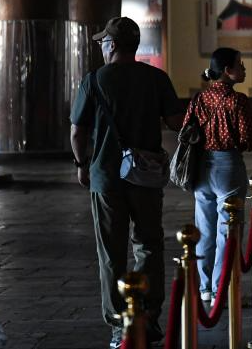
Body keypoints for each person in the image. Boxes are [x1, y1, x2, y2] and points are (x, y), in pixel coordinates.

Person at [70, 17, 182, 349]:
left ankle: (120, 324)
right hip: (145, 176)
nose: (102, 48)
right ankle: (148, 316)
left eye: (103, 42)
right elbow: (176, 121)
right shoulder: (156, 78)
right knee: (149, 245)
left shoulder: (93, 80)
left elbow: (77, 132)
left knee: (111, 253)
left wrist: (81, 164)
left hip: (106, 177)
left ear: (113, 45)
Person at [185, 48, 252, 303]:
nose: (244, 68)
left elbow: (186, 128)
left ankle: (205, 287)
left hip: (200, 166)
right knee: (228, 229)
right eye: (240, 64)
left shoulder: (199, 98)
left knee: (204, 229)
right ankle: (220, 288)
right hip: (227, 166)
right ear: (227, 71)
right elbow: (247, 139)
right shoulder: (238, 101)